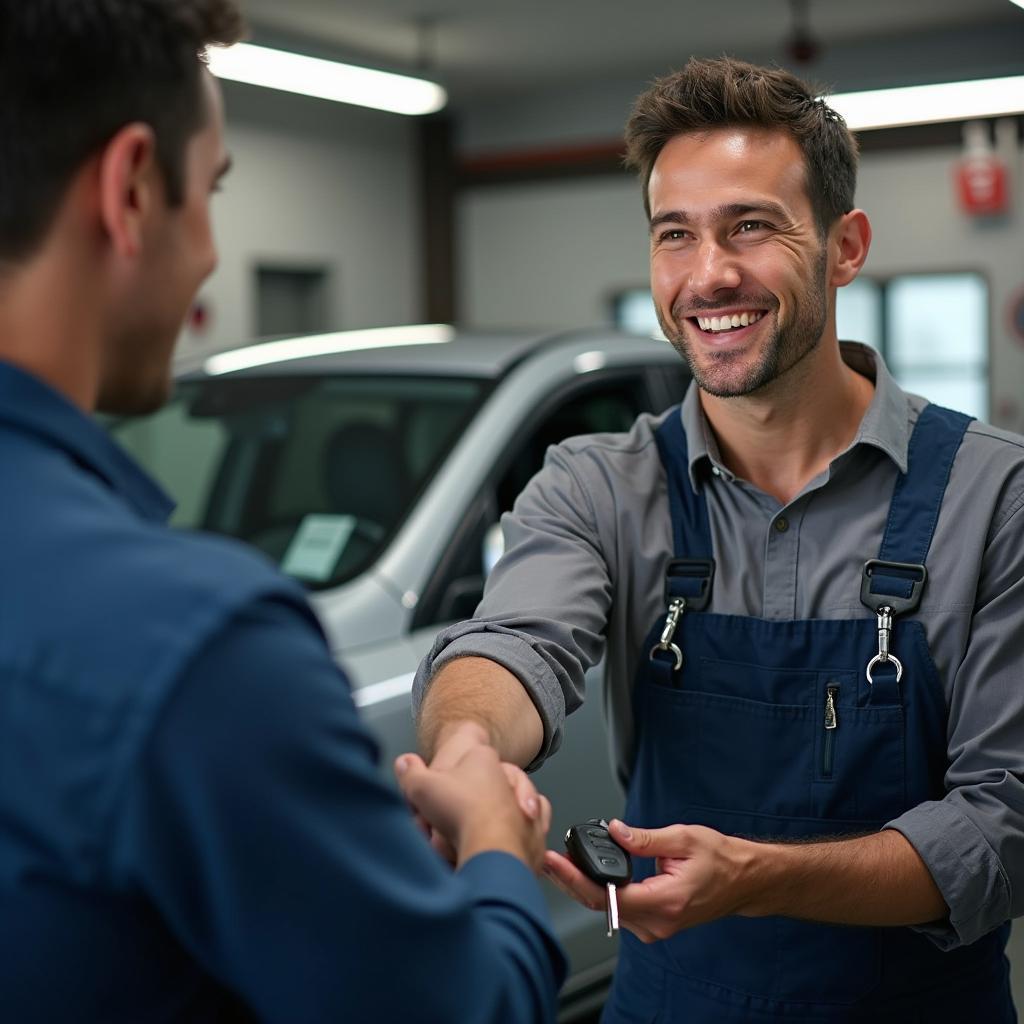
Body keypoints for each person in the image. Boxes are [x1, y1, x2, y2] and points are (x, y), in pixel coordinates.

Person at [414, 56, 1024, 1021]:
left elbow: (1003, 826)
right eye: (675, 235)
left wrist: (756, 877)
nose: (709, 275)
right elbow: (515, 643)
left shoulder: (997, 495)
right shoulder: (596, 483)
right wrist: (469, 748)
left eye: (751, 226)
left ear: (844, 244)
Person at [0, 2, 566, 1021]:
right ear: (132, 189)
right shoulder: (198, 647)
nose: (211, 252)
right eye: (210, 190)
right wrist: (493, 850)